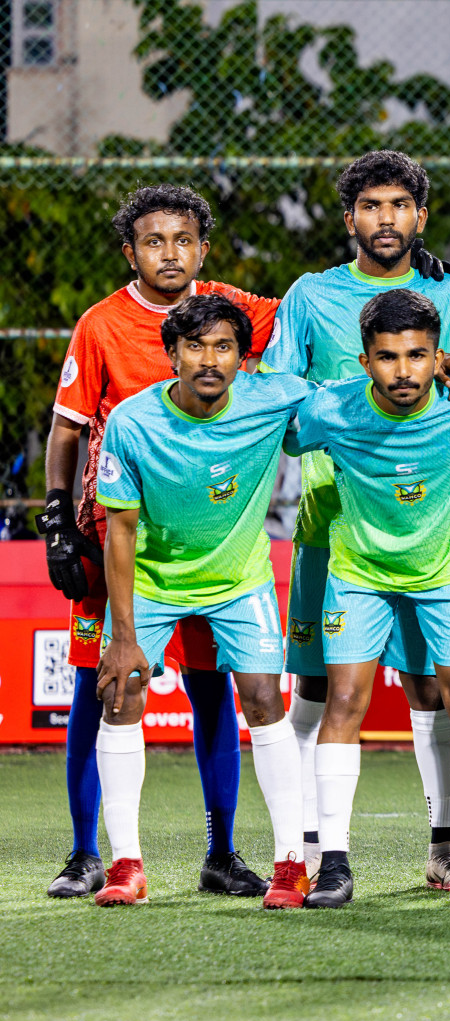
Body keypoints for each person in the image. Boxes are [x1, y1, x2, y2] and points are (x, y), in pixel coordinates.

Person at [40, 185, 279, 900]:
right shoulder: (101, 324)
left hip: (213, 546)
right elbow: (65, 431)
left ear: (203, 247)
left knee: (214, 693)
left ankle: (222, 852)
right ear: (130, 251)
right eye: (153, 241)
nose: (168, 253)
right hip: (117, 540)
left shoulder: (233, 310)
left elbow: (318, 311)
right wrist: (56, 518)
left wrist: (421, 284)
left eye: (183, 240)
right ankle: (88, 853)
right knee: (102, 685)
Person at [257, 150, 450, 890]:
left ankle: (445, 843)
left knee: (431, 687)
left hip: (426, 526)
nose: (385, 219)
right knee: (320, 690)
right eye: (370, 205)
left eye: (400, 205)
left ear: (422, 215)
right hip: (334, 521)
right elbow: (282, 396)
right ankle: (309, 846)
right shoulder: (311, 295)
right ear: (349, 216)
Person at [288, 290, 450, 909]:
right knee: (346, 700)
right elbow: (282, 435)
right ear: (363, 361)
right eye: (387, 358)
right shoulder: (332, 409)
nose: (404, 371)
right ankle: (332, 862)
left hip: (446, 575)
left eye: (418, 355)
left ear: (438, 355)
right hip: (358, 573)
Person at [90, 294, 311, 910]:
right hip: (154, 580)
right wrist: (126, 638)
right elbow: (121, 532)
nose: (209, 360)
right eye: (195, 347)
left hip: (240, 579)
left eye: (223, 347)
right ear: (172, 355)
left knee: (266, 698)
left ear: (245, 357)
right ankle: (126, 865)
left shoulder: (275, 397)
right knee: (120, 689)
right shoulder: (133, 423)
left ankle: (291, 864)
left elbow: (356, 390)